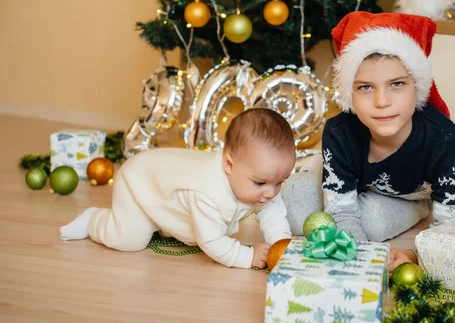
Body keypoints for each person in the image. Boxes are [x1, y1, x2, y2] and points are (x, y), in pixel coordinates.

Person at [282, 11, 455, 271]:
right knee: (288, 206)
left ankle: (417, 208)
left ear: (417, 85)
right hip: (355, 185)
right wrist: (360, 263)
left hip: (407, 196)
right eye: (365, 87)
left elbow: (451, 229)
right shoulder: (339, 131)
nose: (382, 102)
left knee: (372, 222)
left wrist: (414, 255)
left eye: (397, 84)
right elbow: (341, 214)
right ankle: (320, 171)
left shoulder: (445, 139)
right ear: (350, 92)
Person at [59, 108, 296, 269]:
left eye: (280, 182)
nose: (271, 192)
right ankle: (95, 220)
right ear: (229, 164)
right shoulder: (206, 193)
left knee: (173, 219)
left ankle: (163, 223)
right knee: (130, 240)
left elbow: (274, 215)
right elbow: (211, 241)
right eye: (260, 183)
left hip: (166, 191)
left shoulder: (257, 180)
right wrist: (247, 257)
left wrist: (281, 244)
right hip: (140, 183)